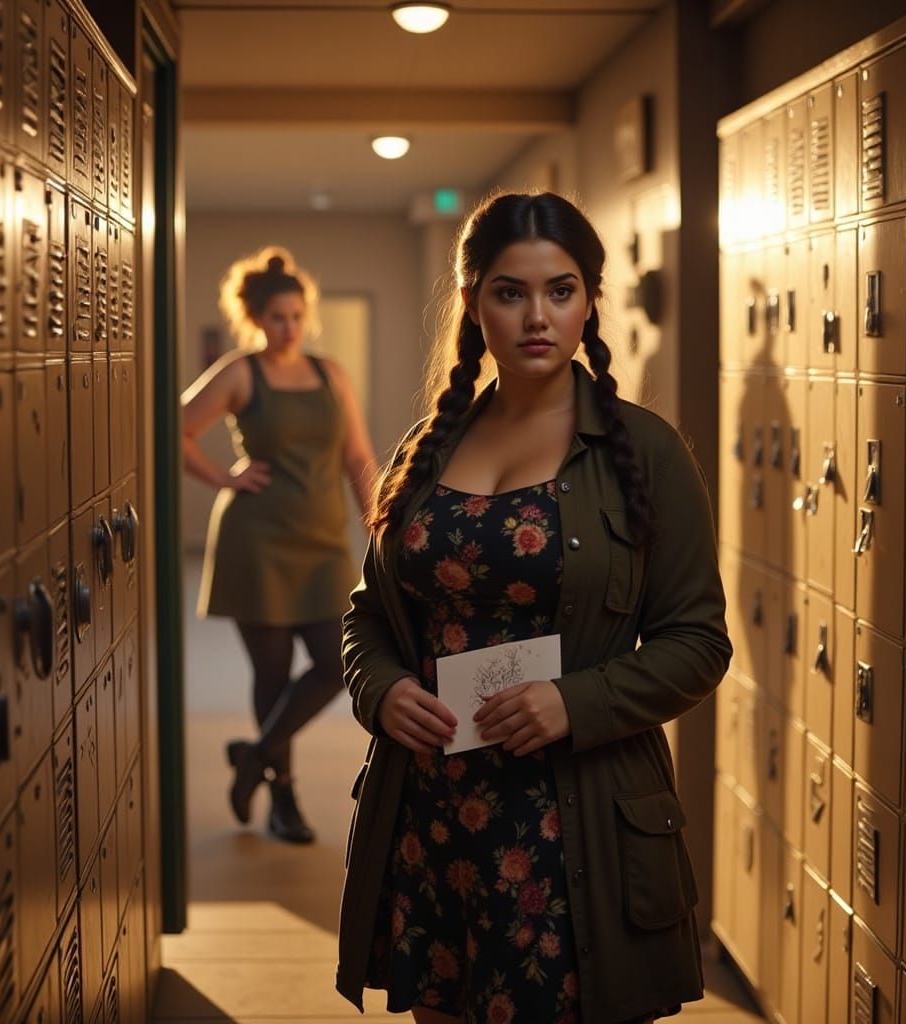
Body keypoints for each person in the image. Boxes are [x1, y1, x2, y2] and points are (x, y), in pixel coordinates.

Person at [337, 192, 732, 1023]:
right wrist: (381, 688)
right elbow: (372, 612)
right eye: (510, 293)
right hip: (432, 816)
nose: (537, 316)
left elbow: (698, 641)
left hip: (569, 828)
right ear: (475, 305)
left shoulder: (644, 451)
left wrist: (571, 700)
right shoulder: (426, 447)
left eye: (562, 290)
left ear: (590, 301)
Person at [182, 246, 376, 842]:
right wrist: (224, 477)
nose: (288, 327)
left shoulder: (329, 373)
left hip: (321, 543)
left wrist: (379, 525)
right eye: (277, 318)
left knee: (335, 662)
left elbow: (358, 456)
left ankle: (253, 756)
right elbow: (176, 426)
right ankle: (282, 801)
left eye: (296, 315)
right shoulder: (242, 371)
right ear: (257, 320)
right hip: (256, 539)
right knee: (271, 673)